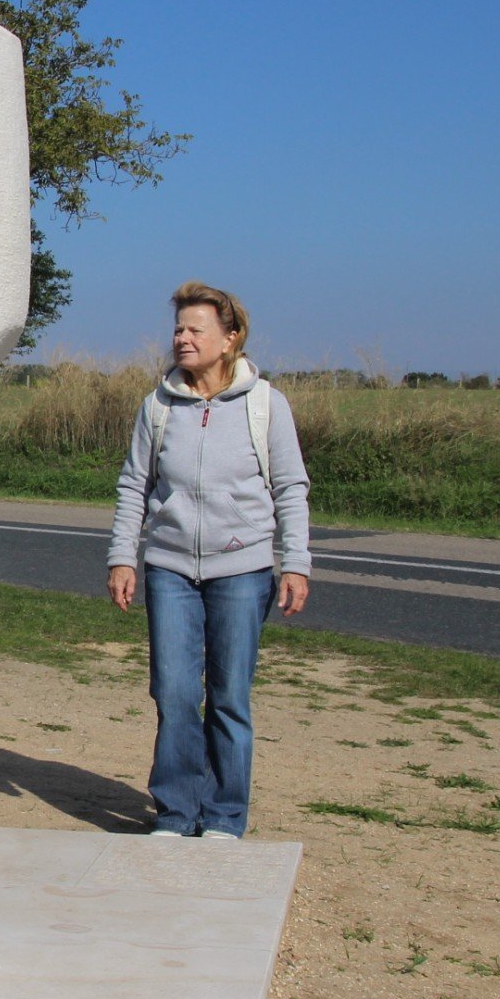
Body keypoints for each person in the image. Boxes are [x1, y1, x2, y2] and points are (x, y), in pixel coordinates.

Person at [105, 283, 311, 839]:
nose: (183, 338)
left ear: (231, 338)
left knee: (228, 696)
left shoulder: (266, 405)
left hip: (242, 569)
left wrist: (296, 562)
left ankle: (222, 817)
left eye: (196, 329)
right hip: (169, 567)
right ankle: (175, 812)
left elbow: (290, 486)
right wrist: (123, 556)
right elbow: (134, 486)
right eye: (179, 328)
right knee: (173, 694)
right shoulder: (158, 405)